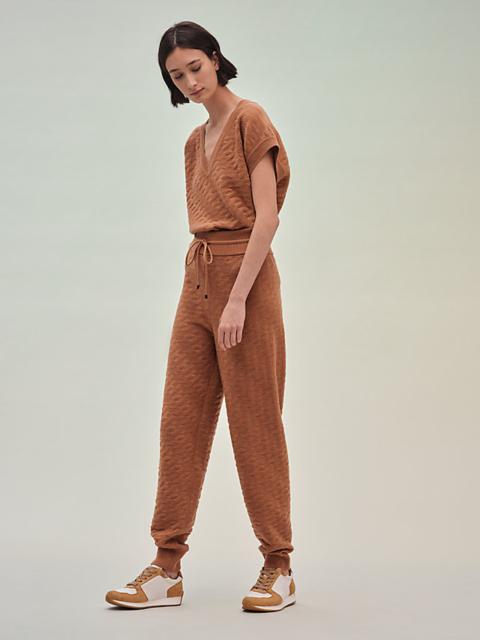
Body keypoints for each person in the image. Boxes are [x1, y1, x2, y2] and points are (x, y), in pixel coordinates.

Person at [105, 20, 295, 613]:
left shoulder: (250, 119)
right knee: (180, 419)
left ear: (215, 59)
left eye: (195, 67)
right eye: (176, 75)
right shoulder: (193, 142)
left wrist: (237, 297)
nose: (189, 81)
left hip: (246, 278)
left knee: (254, 420)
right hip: (198, 277)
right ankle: (167, 565)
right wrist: (210, 293)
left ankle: (279, 565)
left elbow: (267, 216)